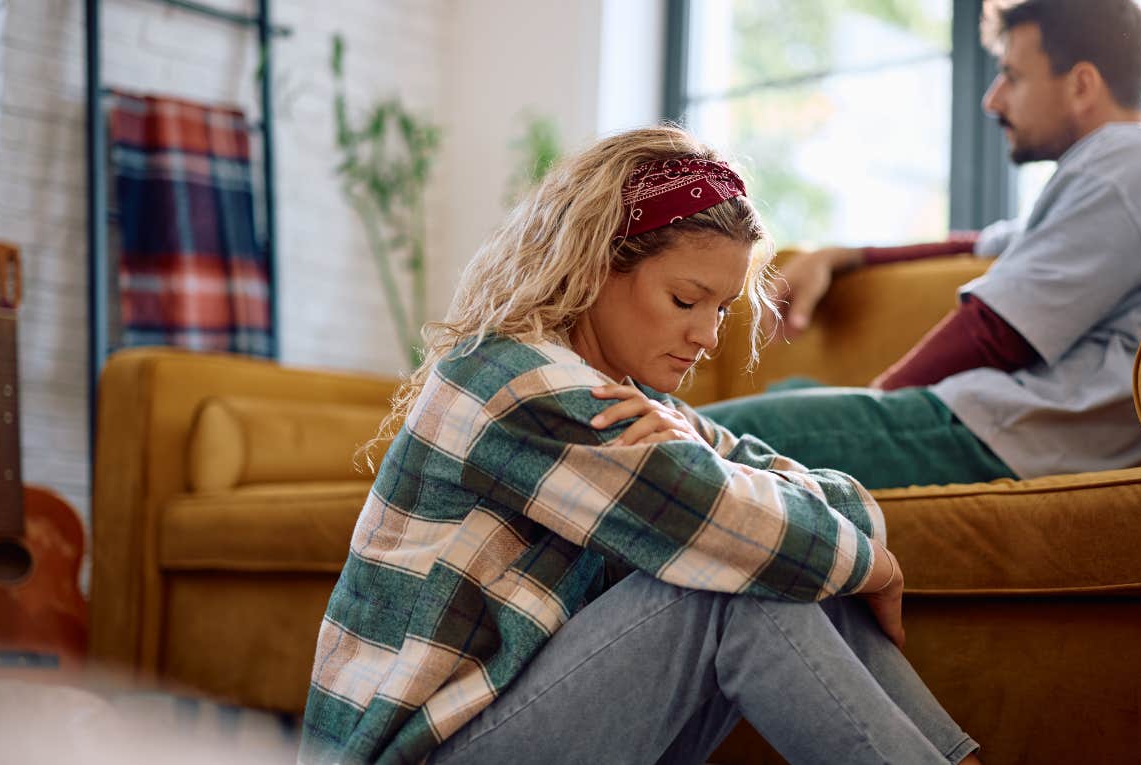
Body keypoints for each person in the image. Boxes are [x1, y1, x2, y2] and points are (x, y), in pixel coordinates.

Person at [298, 126, 982, 765]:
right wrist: (880, 569)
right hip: (418, 753)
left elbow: (814, 501)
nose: (709, 335)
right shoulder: (521, 381)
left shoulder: (638, 402)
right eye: (686, 300)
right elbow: (749, 529)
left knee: (766, 554)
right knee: (735, 578)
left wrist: (714, 464)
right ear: (595, 266)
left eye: (721, 308)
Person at [701, 0, 1141, 487]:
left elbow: (997, 331)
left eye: (1011, 76)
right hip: (1012, 429)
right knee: (787, 394)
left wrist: (877, 403)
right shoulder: (1127, 172)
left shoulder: (1131, 163)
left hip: (1022, 437)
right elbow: (979, 246)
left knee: (710, 434)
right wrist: (845, 255)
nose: (992, 99)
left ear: (1081, 85)